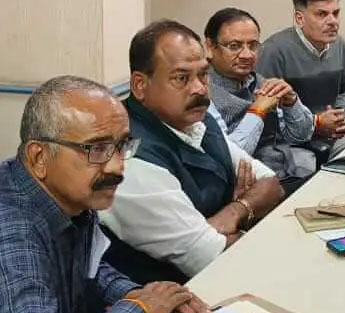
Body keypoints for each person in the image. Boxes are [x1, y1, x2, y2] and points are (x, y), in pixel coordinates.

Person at [0, 76, 209, 313]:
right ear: (39, 157)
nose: (117, 167)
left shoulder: (69, 195)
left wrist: (140, 295)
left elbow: (90, 267)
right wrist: (139, 311)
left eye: (122, 145)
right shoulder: (11, 231)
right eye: (96, 149)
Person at [100, 20, 285, 284]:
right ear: (140, 85)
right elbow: (214, 258)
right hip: (174, 294)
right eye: (181, 78)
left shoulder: (194, 120)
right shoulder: (130, 161)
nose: (199, 88)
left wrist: (234, 211)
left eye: (203, 75)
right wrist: (248, 213)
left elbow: (271, 184)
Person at [205, 7, 343, 193]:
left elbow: (300, 136)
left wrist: (291, 103)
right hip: (253, 189)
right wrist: (258, 111)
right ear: (210, 47)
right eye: (234, 46)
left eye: (253, 46)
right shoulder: (203, 93)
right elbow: (230, 158)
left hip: (288, 172)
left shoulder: (260, 81)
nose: (247, 55)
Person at [257, 0, 345, 150]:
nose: (332, 21)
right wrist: (317, 123)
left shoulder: (339, 45)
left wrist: (340, 113)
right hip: (288, 143)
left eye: (335, 13)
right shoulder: (274, 50)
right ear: (299, 19)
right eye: (322, 14)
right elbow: (265, 111)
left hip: (330, 138)